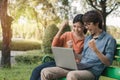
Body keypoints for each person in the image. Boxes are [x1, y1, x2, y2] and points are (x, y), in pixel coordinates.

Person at [41, 10, 116, 80]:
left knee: (72, 75)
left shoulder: (109, 40)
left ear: (97, 23)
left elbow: (108, 62)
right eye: (85, 25)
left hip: (92, 71)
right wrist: (73, 53)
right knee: (45, 71)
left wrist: (95, 50)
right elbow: (83, 57)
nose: (87, 28)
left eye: (89, 24)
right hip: (80, 67)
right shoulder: (88, 38)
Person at [30, 14, 87, 80]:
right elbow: (54, 45)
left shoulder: (86, 41)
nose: (76, 29)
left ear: (84, 27)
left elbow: (83, 59)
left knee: (41, 77)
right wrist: (61, 28)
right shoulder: (67, 34)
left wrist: (71, 50)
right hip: (59, 62)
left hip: (72, 67)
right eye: (74, 26)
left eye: (79, 27)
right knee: (36, 70)